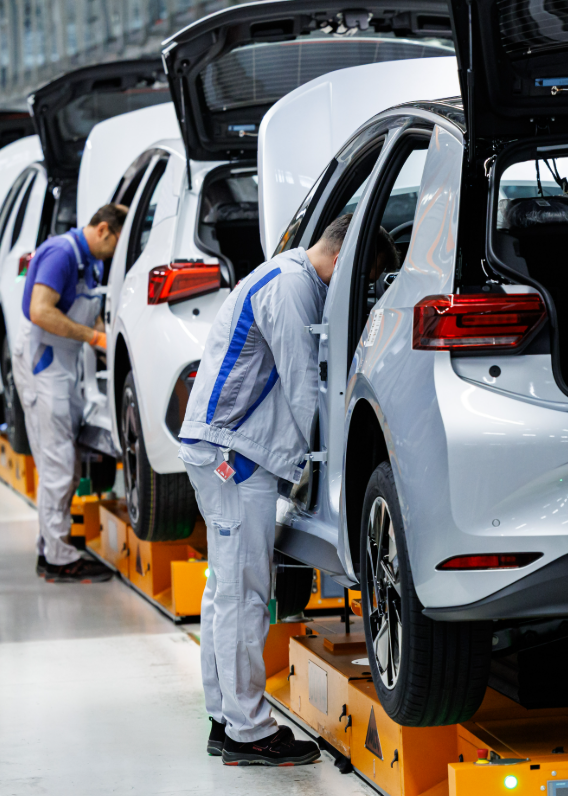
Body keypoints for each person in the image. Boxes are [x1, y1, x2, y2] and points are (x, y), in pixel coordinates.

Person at [181, 214, 364, 767]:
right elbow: (306, 382)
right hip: (232, 456)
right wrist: (334, 467)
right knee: (243, 594)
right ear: (343, 259)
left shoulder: (285, 274)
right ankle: (249, 732)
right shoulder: (291, 287)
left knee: (226, 590)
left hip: (225, 449)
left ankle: (225, 717)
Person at [20, 204, 126, 584]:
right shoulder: (61, 254)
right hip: (44, 361)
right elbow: (40, 311)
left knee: (64, 461)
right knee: (58, 464)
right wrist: (93, 338)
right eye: (116, 243)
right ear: (103, 230)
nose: (116, 254)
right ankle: (59, 559)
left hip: (65, 361)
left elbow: (90, 313)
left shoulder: (91, 262)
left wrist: (111, 346)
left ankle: (51, 546)